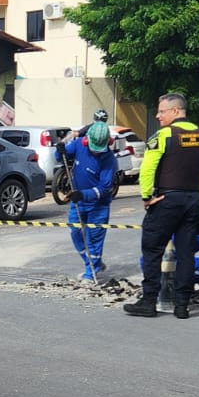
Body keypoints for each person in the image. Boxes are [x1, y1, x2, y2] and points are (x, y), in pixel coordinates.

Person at [124, 93, 199, 319]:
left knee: (153, 251)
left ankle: (148, 302)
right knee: (186, 254)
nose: (157, 115)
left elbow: (147, 168)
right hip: (193, 202)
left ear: (175, 111)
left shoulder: (164, 135)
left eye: (161, 111)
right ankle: (182, 305)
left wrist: (146, 196)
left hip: (166, 201)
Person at [63, 114, 117, 280]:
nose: (95, 152)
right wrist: (60, 151)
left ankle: (90, 273)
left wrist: (83, 195)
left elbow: (105, 188)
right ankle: (93, 263)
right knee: (75, 231)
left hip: (98, 205)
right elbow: (63, 155)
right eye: (93, 148)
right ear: (87, 141)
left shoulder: (110, 161)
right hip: (78, 202)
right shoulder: (79, 144)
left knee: (94, 239)